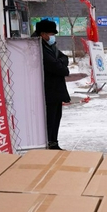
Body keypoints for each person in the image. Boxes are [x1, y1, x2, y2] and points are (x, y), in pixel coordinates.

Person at [32, 19, 71, 150]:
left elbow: (65, 58)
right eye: (51, 33)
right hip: (48, 91)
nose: (53, 37)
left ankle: (54, 142)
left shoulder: (50, 47)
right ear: (43, 34)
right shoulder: (38, 48)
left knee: (56, 118)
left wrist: (61, 63)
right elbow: (58, 67)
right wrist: (62, 65)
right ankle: (49, 144)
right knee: (49, 120)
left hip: (55, 91)